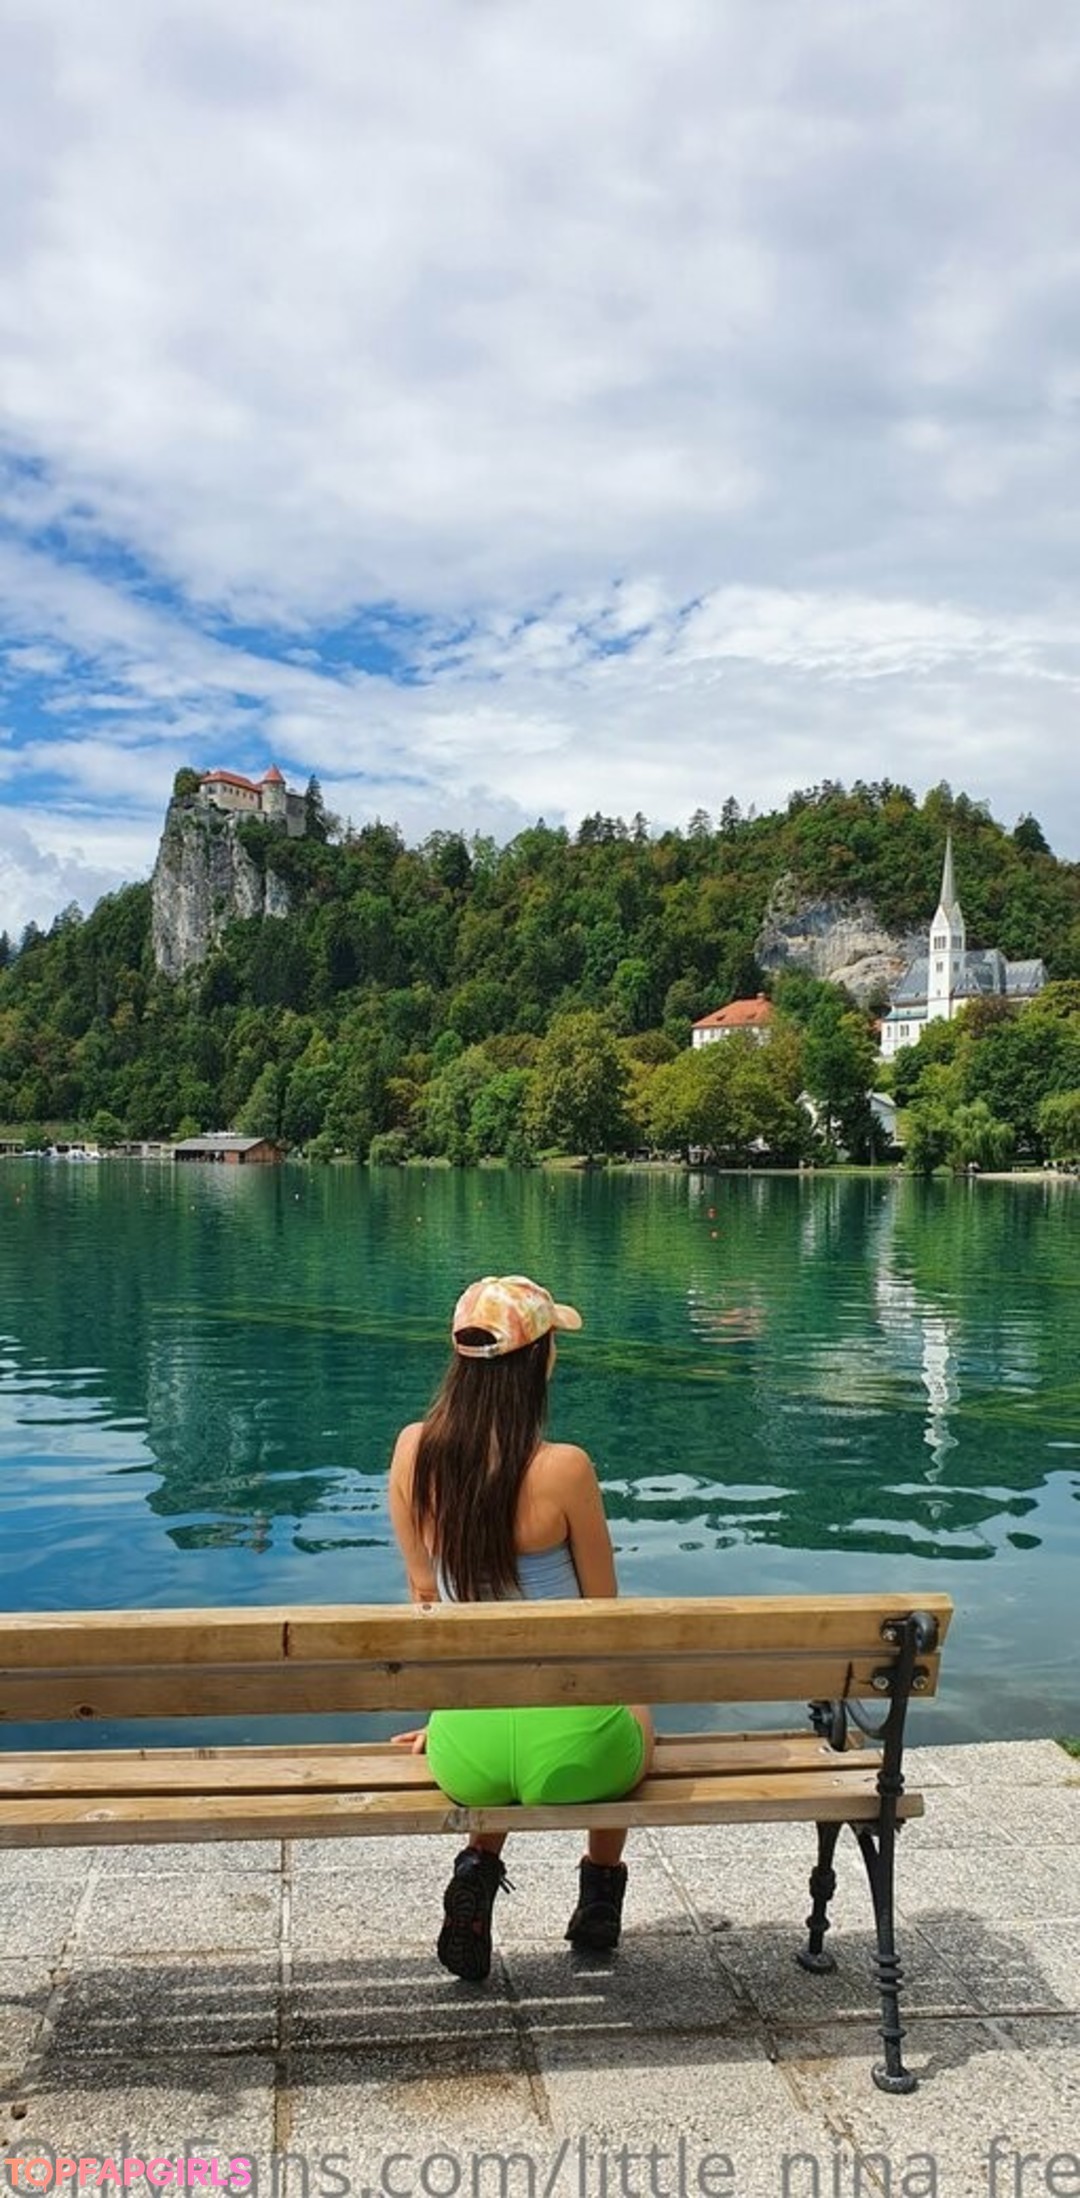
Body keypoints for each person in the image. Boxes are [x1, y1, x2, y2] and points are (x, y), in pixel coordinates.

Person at [387, 1273, 654, 1983]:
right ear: (538, 1361)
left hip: (465, 1758)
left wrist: (442, 1720)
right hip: (577, 1758)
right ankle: (600, 1890)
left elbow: (426, 1605)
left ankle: (479, 1867)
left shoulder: (413, 1452)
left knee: (492, 1709)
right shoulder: (565, 1470)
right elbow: (604, 1619)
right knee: (633, 1698)